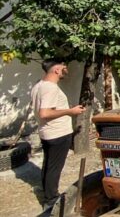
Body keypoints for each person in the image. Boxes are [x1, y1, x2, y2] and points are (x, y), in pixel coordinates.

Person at [31, 59, 85, 210]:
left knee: (48, 164)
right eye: (63, 67)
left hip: (47, 132)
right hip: (57, 133)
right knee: (55, 167)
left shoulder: (38, 86)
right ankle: (51, 200)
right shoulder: (50, 88)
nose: (65, 69)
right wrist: (71, 111)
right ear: (56, 70)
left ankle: (46, 192)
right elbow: (45, 112)